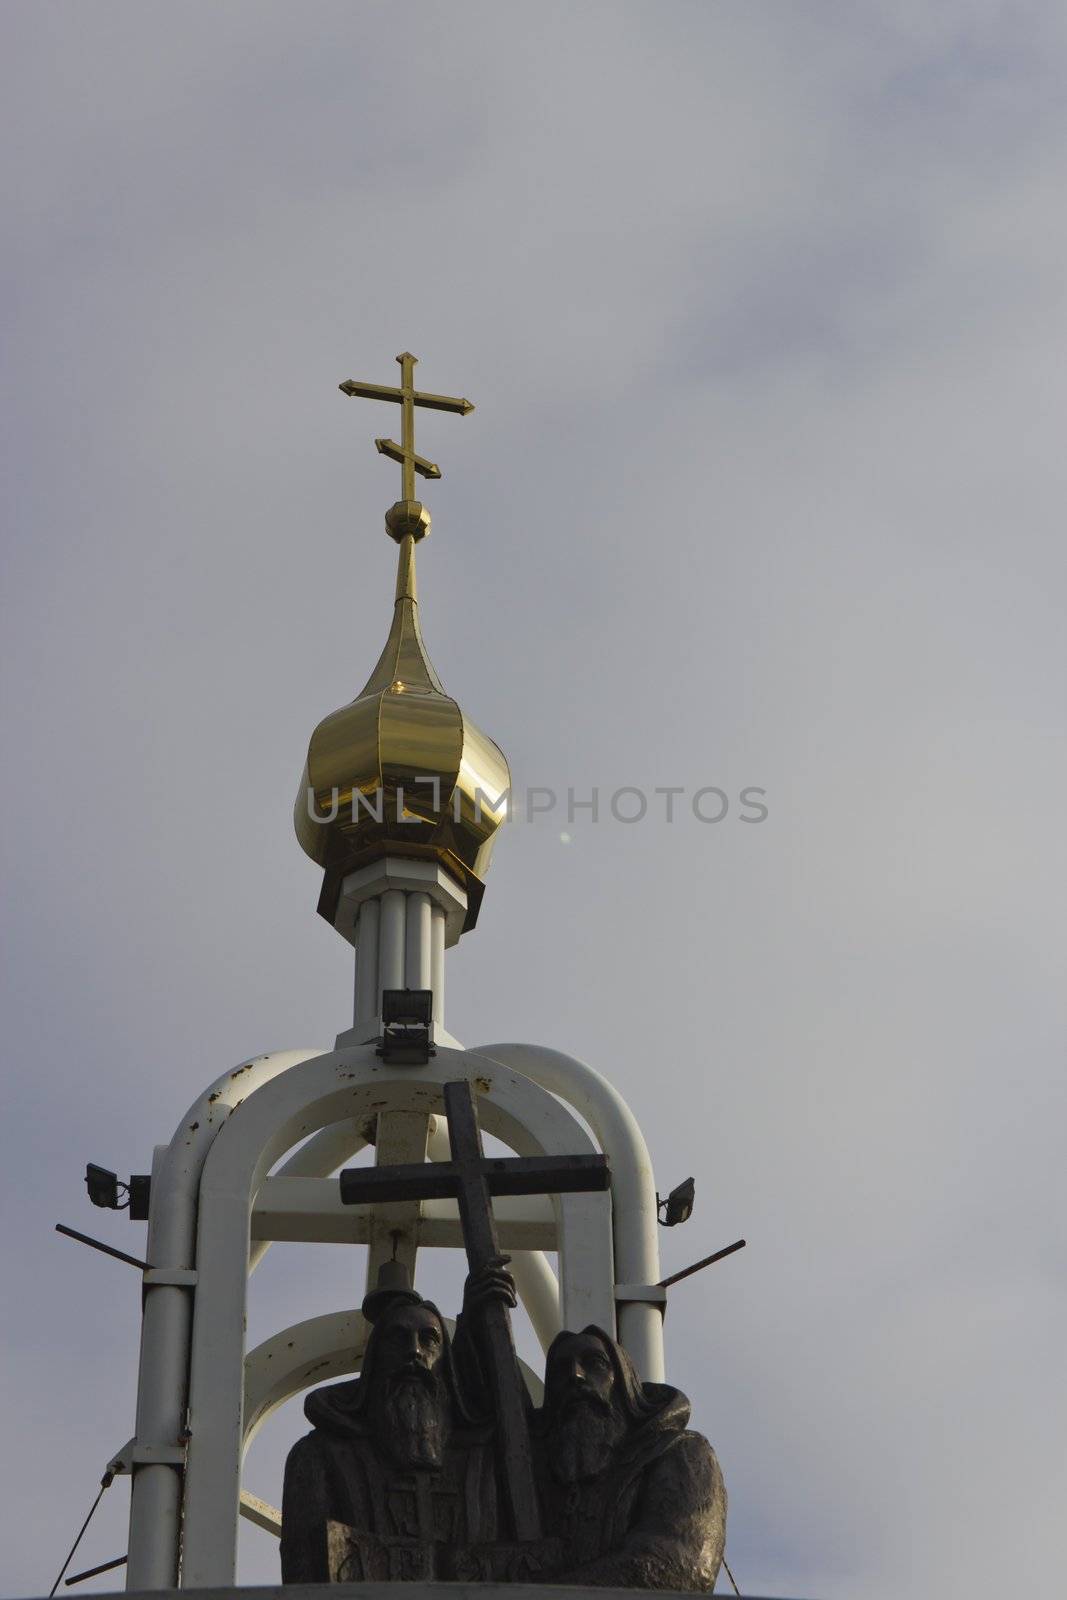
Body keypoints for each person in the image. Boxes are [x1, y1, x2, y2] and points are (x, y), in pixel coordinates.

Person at [280, 1266, 501, 1582]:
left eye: (429, 1340)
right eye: (398, 1339)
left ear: (446, 1367)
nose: (414, 1352)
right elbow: (301, 1574)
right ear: (374, 1364)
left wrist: (478, 1324)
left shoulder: (483, 1464)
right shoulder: (318, 1456)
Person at [533, 1324, 727, 1591]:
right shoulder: (534, 1476)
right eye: (560, 1370)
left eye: (595, 1364)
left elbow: (680, 1566)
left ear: (625, 1385)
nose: (576, 1376)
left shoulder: (681, 1452)